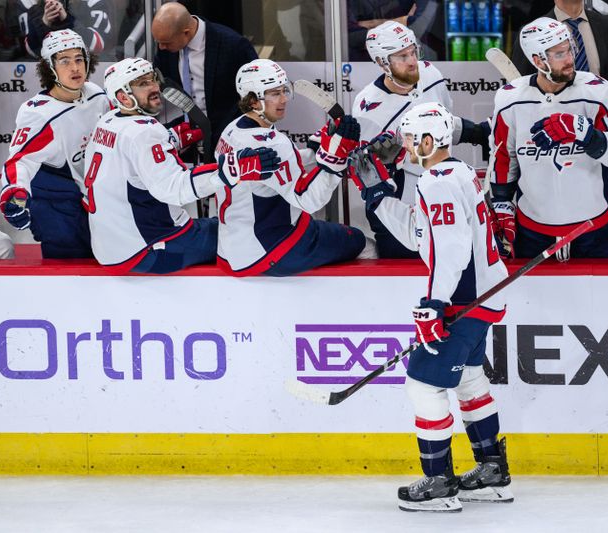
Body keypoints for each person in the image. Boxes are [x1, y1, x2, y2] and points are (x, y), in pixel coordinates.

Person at [348, 102, 511, 512]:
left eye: (407, 138)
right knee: (470, 381)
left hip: (462, 302)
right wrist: (378, 193)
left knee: (424, 384)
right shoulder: (455, 173)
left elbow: (450, 249)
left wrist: (435, 305)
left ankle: (439, 483)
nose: (402, 146)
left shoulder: (437, 181)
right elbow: (422, 236)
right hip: (483, 298)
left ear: (425, 141)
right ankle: (492, 472)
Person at [84, 57, 277, 274]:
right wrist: (234, 167)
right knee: (244, 230)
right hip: (151, 250)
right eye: (143, 84)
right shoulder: (145, 132)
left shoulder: (108, 121)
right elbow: (174, 189)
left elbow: (132, 157)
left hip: (110, 248)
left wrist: (170, 139)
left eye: (152, 79)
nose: (155, 87)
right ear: (123, 97)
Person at [489, 18, 608, 260]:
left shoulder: (598, 92)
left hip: (594, 230)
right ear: (537, 60)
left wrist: (585, 133)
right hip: (533, 232)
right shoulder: (509, 99)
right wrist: (502, 202)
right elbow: (504, 156)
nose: (569, 59)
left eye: (569, 49)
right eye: (558, 54)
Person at [213, 59, 366, 276]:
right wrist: (334, 158)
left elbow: (273, 167)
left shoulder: (231, 130)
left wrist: (314, 153)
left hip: (231, 249)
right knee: (359, 240)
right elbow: (309, 200)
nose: (284, 99)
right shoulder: (274, 142)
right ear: (253, 100)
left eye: (284, 90)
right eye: (275, 93)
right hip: (272, 249)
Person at [352, 20, 490, 258]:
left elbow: (444, 123)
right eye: (402, 57)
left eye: (413, 52)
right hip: (404, 199)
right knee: (406, 268)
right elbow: (367, 172)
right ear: (381, 62)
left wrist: (477, 132)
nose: (412, 61)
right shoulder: (368, 109)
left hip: (444, 188)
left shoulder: (430, 73)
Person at [0, 29, 109, 259]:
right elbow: (20, 160)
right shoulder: (39, 114)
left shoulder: (96, 96)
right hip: (54, 203)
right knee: (69, 268)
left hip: (91, 196)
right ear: (50, 67)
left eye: (79, 59)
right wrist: (14, 194)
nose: (75, 68)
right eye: (65, 61)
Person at [152, 2, 258, 152]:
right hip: (187, 137)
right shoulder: (167, 45)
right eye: (159, 42)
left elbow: (255, 95)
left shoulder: (234, 45)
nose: (161, 47)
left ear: (186, 32)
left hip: (227, 137)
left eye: (166, 43)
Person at [511, 0, 608, 120]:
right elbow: (522, 82)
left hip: (604, 120)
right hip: (555, 126)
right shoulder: (532, 34)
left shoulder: (607, 24)